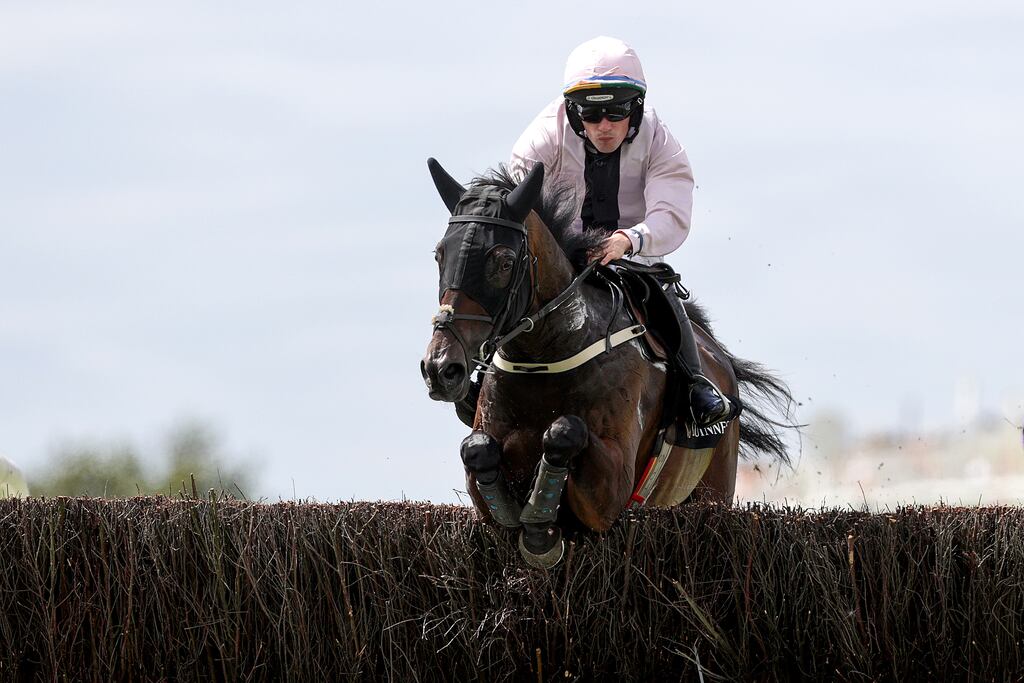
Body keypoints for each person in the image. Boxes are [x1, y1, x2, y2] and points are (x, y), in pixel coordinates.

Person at [509, 36, 731, 427]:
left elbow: (672, 213)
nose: (605, 127)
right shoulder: (541, 138)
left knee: (664, 296)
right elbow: (522, 202)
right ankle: (481, 376)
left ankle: (695, 387)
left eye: (616, 113)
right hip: (564, 257)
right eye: (591, 116)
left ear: (637, 107)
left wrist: (629, 240)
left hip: (630, 255)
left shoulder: (662, 142)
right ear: (573, 113)